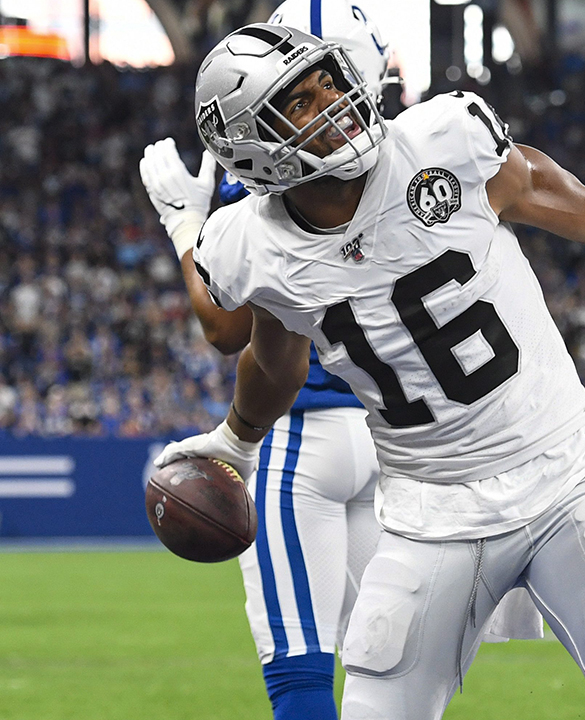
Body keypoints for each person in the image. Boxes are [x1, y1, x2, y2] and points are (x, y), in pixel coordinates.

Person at [157, 22, 585, 720]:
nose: (336, 103)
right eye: (301, 103)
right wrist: (239, 440)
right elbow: (273, 359)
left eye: (329, 82)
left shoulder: (443, 141)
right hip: (430, 512)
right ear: (251, 145)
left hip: (562, 469)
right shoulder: (251, 245)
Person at [137, 5, 540, 720]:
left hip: (302, 437)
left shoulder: (279, 165)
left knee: (301, 675)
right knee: (390, 674)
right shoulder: (422, 146)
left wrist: (184, 230)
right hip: (402, 441)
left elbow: (227, 331)